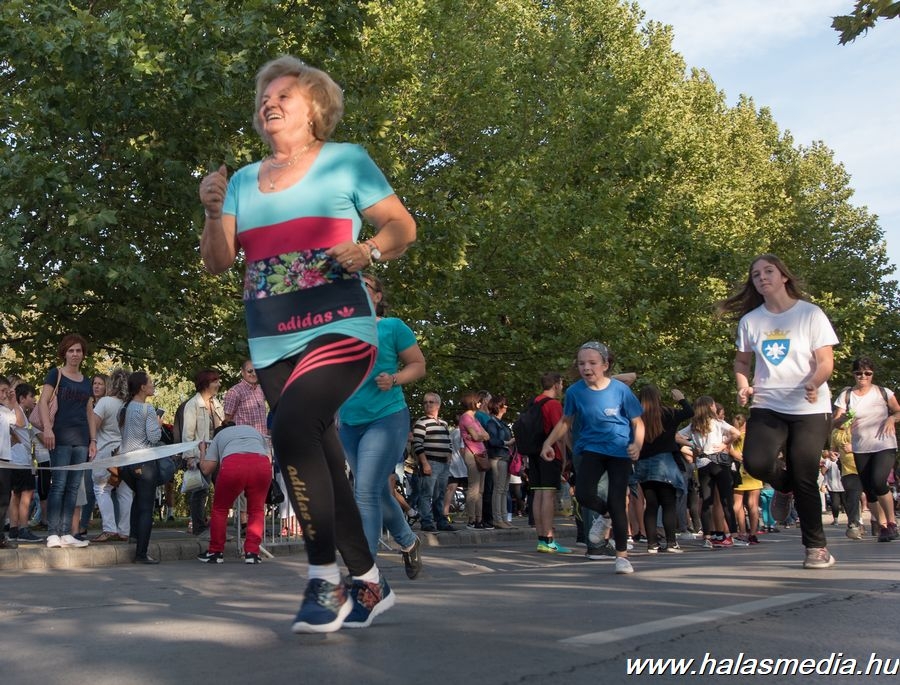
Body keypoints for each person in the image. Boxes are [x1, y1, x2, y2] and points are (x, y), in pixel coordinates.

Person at [198, 56, 416, 633]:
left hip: (340, 325)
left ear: (315, 107)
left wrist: (369, 249)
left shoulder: (346, 161)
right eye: (264, 96)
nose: (270, 102)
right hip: (271, 341)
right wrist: (213, 212)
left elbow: (402, 226)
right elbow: (218, 262)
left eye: (284, 95)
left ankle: (324, 580)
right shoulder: (243, 181)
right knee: (319, 454)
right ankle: (368, 580)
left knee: (292, 428)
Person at [721, 254, 839, 568]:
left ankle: (816, 547)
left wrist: (814, 382)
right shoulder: (751, 321)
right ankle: (783, 485)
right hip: (768, 403)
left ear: (783, 276)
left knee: (805, 475)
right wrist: (743, 385)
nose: (762, 277)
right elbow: (742, 362)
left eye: (768, 271)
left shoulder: (810, 314)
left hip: (809, 406)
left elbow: (826, 361)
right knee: (756, 462)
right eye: (756, 274)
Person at [338, 274, 426, 580]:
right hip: (349, 424)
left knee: (364, 491)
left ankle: (364, 571)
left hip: (387, 418)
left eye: (363, 287)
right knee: (375, 489)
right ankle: (408, 541)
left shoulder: (392, 327)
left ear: (377, 296)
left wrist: (395, 379)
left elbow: (418, 364)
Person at [542, 342, 644, 574]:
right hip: (590, 449)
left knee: (617, 502)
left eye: (592, 363)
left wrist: (637, 444)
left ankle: (621, 556)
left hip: (619, 450)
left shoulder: (620, 390)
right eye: (581, 363)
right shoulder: (575, 392)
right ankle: (605, 515)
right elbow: (566, 422)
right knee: (584, 494)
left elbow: (638, 422)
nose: (586, 368)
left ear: (605, 365)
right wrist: (548, 442)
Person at [831, 357, 900, 542]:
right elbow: (835, 423)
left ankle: (892, 523)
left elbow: (898, 411)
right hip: (861, 447)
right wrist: (844, 418)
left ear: (872, 374)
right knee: (869, 490)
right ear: (853, 374)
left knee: (878, 481)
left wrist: (892, 418)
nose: (863, 376)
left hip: (884, 444)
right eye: (859, 373)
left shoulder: (883, 392)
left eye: (867, 373)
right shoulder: (846, 396)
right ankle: (883, 526)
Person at [38, 334, 96, 549]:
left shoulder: (87, 381)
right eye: (71, 350)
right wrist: (47, 428)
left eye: (78, 350)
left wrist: (93, 440)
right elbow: (43, 402)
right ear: (64, 353)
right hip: (59, 437)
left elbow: (89, 412)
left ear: (83, 354)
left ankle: (66, 533)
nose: (75, 354)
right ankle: (53, 533)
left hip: (81, 440)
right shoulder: (56, 374)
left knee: (73, 487)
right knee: (59, 485)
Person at [198, 422, 273, 564]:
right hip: (261, 465)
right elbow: (269, 458)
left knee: (220, 509)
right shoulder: (253, 430)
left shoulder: (219, 436)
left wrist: (202, 451)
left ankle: (215, 552)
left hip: (233, 465)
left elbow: (206, 469)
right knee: (256, 510)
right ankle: (252, 553)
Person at [677, 396, 742, 549]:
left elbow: (676, 436)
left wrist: (692, 446)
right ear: (710, 407)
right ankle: (733, 535)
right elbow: (736, 433)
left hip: (703, 464)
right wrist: (724, 444)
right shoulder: (718, 423)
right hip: (719, 463)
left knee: (707, 501)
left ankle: (707, 537)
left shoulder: (694, 425)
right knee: (726, 500)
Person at [635, 386, 690, 553]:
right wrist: (681, 399)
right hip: (665, 463)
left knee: (651, 505)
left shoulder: (636, 416)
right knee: (668, 504)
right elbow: (689, 412)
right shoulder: (668, 413)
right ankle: (671, 542)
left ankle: (652, 543)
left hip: (643, 463)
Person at [522, 373, 569, 553]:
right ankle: (549, 539)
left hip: (534, 453)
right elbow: (560, 433)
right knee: (548, 495)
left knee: (538, 494)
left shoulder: (534, 402)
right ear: (556, 385)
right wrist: (564, 457)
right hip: (550, 453)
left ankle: (541, 539)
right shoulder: (553, 404)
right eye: (561, 384)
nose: (562, 388)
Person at [118, 371, 163, 564]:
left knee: (137, 501)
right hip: (144, 461)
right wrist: (159, 424)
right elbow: (154, 437)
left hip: (126, 463)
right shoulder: (147, 409)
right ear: (142, 387)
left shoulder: (125, 408)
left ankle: (134, 538)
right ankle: (141, 553)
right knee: (146, 508)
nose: (153, 385)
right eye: (150, 382)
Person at [181, 369, 224, 538]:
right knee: (200, 491)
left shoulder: (216, 403)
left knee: (222, 490)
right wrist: (190, 457)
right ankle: (198, 527)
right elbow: (188, 434)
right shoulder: (193, 405)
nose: (218, 384)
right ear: (206, 383)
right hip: (201, 455)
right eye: (215, 381)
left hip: (217, 453)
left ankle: (217, 528)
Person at [90, 368, 132, 543]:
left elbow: (94, 425)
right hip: (125, 451)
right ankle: (124, 530)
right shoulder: (130, 405)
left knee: (101, 489)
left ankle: (109, 528)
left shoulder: (105, 402)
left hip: (106, 451)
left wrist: (92, 441)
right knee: (125, 491)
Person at [412, 392, 457, 532]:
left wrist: (449, 454)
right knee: (427, 493)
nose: (427, 404)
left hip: (444, 463)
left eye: (431, 402)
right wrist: (424, 463)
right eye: (425, 402)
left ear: (438, 405)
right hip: (431, 461)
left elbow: (449, 441)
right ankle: (426, 522)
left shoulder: (443, 423)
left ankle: (441, 521)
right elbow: (417, 444)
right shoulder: (421, 423)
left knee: (440, 494)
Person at [459, 391, 491, 530]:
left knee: (480, 490)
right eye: (478, 401)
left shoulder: (475, 418)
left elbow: (486, 435)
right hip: (472, 454)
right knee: (474, 488)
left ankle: (479, 518)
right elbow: (478, 436)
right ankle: (471, 519)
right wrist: (478, 436)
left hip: (481, 454)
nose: (480, 403)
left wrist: (478, 436)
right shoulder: (466, 417)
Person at [730, 414, 763, 544]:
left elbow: (730, 452)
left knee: (737, 504)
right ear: (746, 424)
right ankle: (753, 534)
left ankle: (740, 531)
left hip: (737, 471)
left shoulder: (732, 437)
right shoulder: (752, 437)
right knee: (753, 504)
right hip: (752, 470)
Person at [485, 396, 515, 529]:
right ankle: (498, 518)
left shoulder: (501, 423)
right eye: (504, 404)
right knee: (499, 489)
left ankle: (503, 517)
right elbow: (492, 441)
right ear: (499, 406)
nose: (506, 407)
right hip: (497, 458)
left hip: (505, 457)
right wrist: (507, 442)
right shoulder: (492, 423)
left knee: (504, 489)